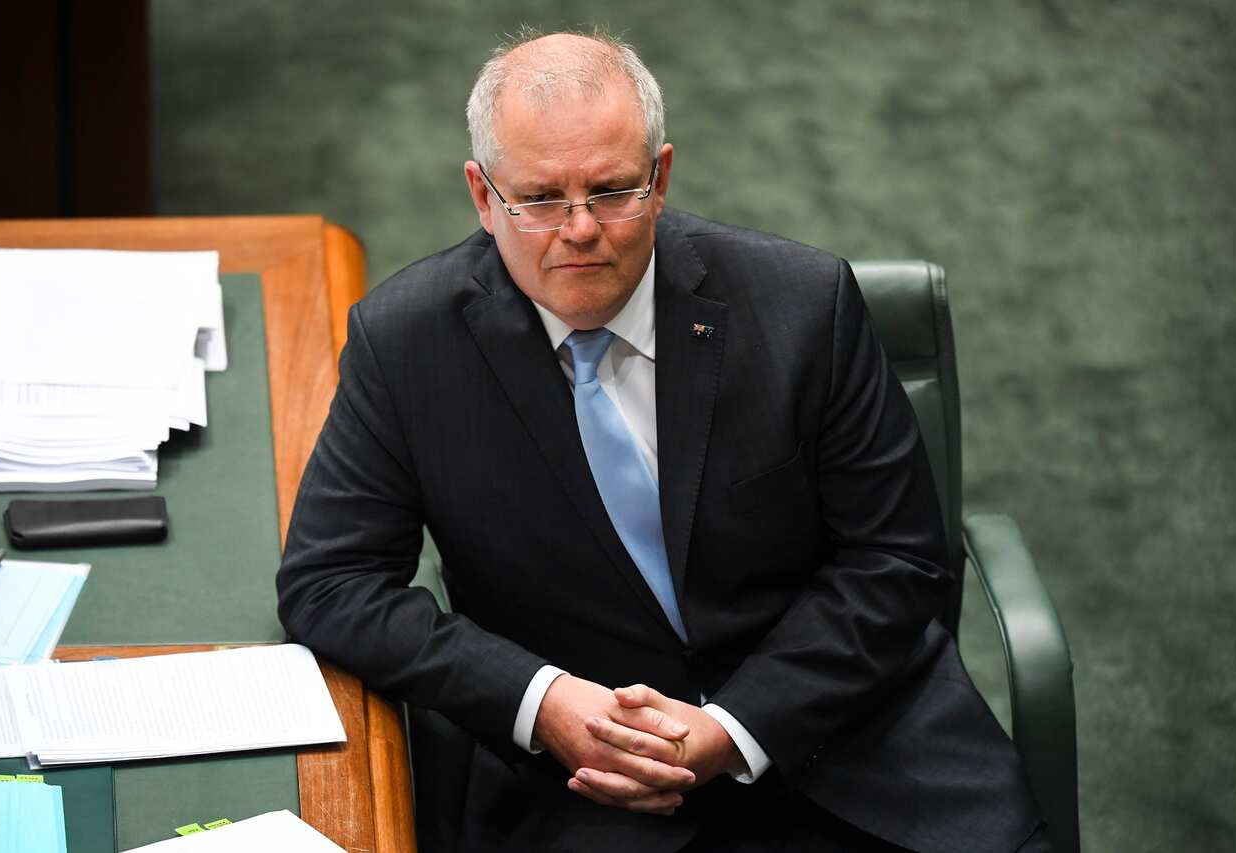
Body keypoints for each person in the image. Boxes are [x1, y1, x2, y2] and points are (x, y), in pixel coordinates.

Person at [277, 29, 1048, 853]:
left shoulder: (804, 307)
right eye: (541, 199)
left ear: (661, 177)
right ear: (483, 195)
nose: (580, 229)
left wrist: (732, 728)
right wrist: (540, 698)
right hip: (585, 791)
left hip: (852, 749)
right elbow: (331, 581)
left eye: (612, 191)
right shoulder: (406, 343)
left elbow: (898, 559)